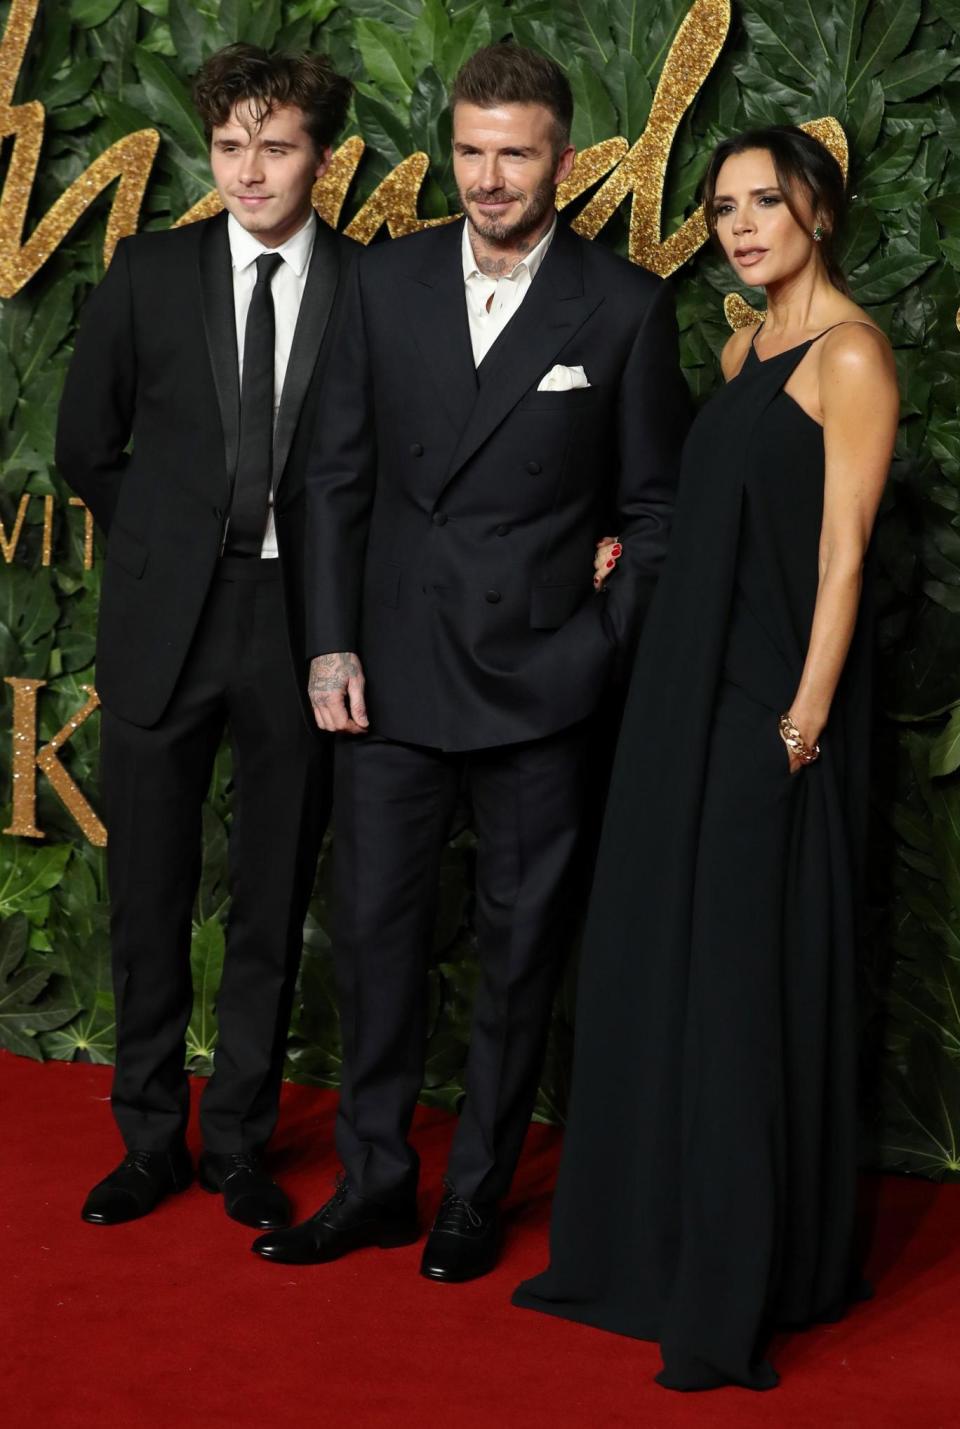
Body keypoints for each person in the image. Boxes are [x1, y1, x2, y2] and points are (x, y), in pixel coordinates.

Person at [251, 43, 690, 1280]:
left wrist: (599, 648)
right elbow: (332, 475)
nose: (491, 177)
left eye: (517, 152)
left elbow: (655, 512)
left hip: (539, 685)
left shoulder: (622, 307)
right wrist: (330, 642)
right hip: (387, 676)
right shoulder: (382, 284)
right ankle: (379, 1181)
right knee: (377, 939)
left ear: (562, 157)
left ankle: (474, 1196)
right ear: (451, 148)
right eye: (472, 149)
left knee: (515, 953)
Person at [513, 125, 900, 1390]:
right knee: (664, 959)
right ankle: (658, 1243)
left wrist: (800, 724)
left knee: (740, 984)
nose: (740, 227)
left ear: (819, 214)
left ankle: (746, 1275)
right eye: (724, 207)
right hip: (684, 698)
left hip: (769, 714)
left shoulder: (851, 357)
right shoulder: (742, 347)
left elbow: (843, 561)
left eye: (764, 204)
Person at [56, 44, 354, 1231]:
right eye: (230, 146)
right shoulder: (146, 272)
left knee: (273, 896)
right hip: (164, 623)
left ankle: (236, 1138)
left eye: (275, 147)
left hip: (297, 625)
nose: (249, 170)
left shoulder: (372, 286)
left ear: (322, 158)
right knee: (147, 894)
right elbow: (89, 447)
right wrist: (165, 551)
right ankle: (147, 1139)